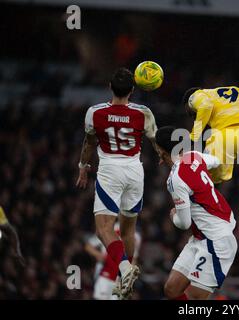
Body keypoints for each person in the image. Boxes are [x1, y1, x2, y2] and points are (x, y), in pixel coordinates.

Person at [76, 67, 157, 299]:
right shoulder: (144, 113)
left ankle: (124, 269)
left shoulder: (95, 112)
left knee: (104, 230)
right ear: (132, 90)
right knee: (129, 230)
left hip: (110, 170)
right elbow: (156, 141)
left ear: (110, 87)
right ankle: (124, 280)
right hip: (134, 170)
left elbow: (89, 143)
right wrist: (168, 159)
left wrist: (83, 168)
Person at [155, 126, 237, 300]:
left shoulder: (175, 179)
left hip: (216, 240)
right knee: (171, 289)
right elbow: (216, 161)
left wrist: (173, 215)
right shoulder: (193, 156)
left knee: (195, 298)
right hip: (200, 238)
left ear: (161, 151)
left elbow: (183, 223)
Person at [85, 223, 142, 300]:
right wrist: (100, 256)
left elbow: (133, 259)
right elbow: (88, 246)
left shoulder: (135, 236)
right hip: (104, 274)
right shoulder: (109, 229)